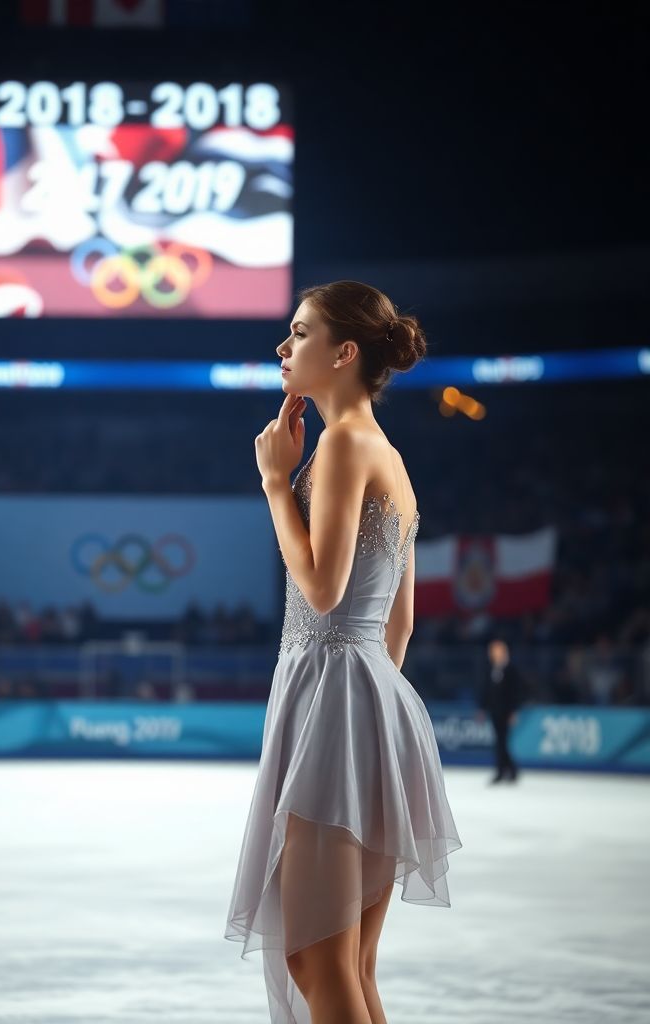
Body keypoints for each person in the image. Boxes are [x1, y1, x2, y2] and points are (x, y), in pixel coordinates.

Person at [225, 281, 463, 1024]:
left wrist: (274, 484)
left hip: (334, 699)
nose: (283, 347)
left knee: (318, 960)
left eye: (299, 333)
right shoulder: (389, 455)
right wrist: (368, 724)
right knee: (350, 963)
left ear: (344, 352)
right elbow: (400, 626)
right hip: (373, 703)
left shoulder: (342, 445)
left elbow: (324, 591)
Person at [477, 637, 527, 783]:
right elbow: (486, 691)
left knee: (502, 742)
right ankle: (508, 770)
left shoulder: (511, 669)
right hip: (494, 711)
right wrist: (482, 708)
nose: (492, 653)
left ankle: (506, 770)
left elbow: (516, 692)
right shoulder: (490, 669)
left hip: (506, 712)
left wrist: (514, 711)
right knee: (499, 742)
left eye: (495, 651)